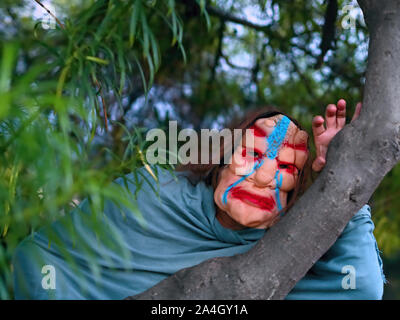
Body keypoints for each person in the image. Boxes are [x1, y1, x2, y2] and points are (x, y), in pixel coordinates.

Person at [12, 99, 385, 299]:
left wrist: (342, 178)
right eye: (251, 155)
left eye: (286, 168)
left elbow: (360, 290)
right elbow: (39, 257)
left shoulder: (285, 251)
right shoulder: (150, 195)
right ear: (221, 158)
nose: (263, 175)